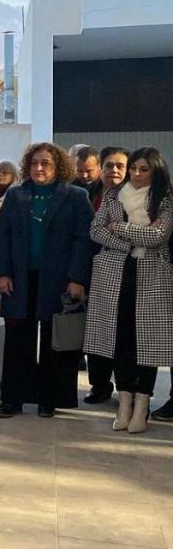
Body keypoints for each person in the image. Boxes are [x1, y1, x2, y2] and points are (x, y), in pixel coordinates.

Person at [0, 142, 94, 418]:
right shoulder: (15, 196)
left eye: (46, 163)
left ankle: (50, 398)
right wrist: (1, 274)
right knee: (17, 340)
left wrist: (77, 278)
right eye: (35, 162)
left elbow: (83, 240)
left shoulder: (76, 196)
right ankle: (13, 399)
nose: (39, 168)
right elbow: (1, 237)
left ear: (57, 165)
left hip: (59, 280)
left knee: (55, 340)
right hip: (19, 279)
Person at [84, 148, 173, 434]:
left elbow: (159, 236)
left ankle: (142, 405)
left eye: (143, 169)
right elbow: (96, 230)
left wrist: (118, 228)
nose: (135, 174)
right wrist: (130, 244)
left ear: (155, 171)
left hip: (152, 278)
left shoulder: (165, 199)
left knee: (145, 343)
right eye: (133, 168)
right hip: (113, 276)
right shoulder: (112, 196)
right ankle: (123, 402)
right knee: (118, 339)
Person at [83, 146, 130, 405]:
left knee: (123, 333)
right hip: (92, 270)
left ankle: (127, 386)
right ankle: (99, 385)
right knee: (97, 331)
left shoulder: (136, 197)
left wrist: (115, 235)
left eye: (120, 166)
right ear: (100, 167)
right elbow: (91, 232)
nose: (114, 170)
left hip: (127, 273)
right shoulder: (85, 194)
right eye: (109, 165)